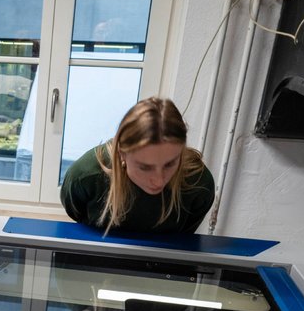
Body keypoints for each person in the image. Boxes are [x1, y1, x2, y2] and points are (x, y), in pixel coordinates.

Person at [60, 97, 215, 234]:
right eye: (145, 167)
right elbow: (76, 213)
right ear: (122, 153)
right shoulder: (85, 176)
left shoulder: (199, 185)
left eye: (170, 164)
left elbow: (184, 237)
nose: (158, 180)